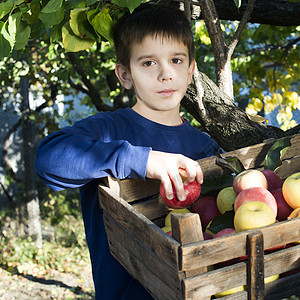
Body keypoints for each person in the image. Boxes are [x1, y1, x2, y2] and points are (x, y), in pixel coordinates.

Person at [35, 4, 221, 299]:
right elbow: (49, 160)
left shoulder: (206, 148)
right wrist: (143, 160)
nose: (165, 74)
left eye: (176, 60)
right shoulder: (108, 130)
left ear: (191, 70)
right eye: (148, 63)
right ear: (124, 74)